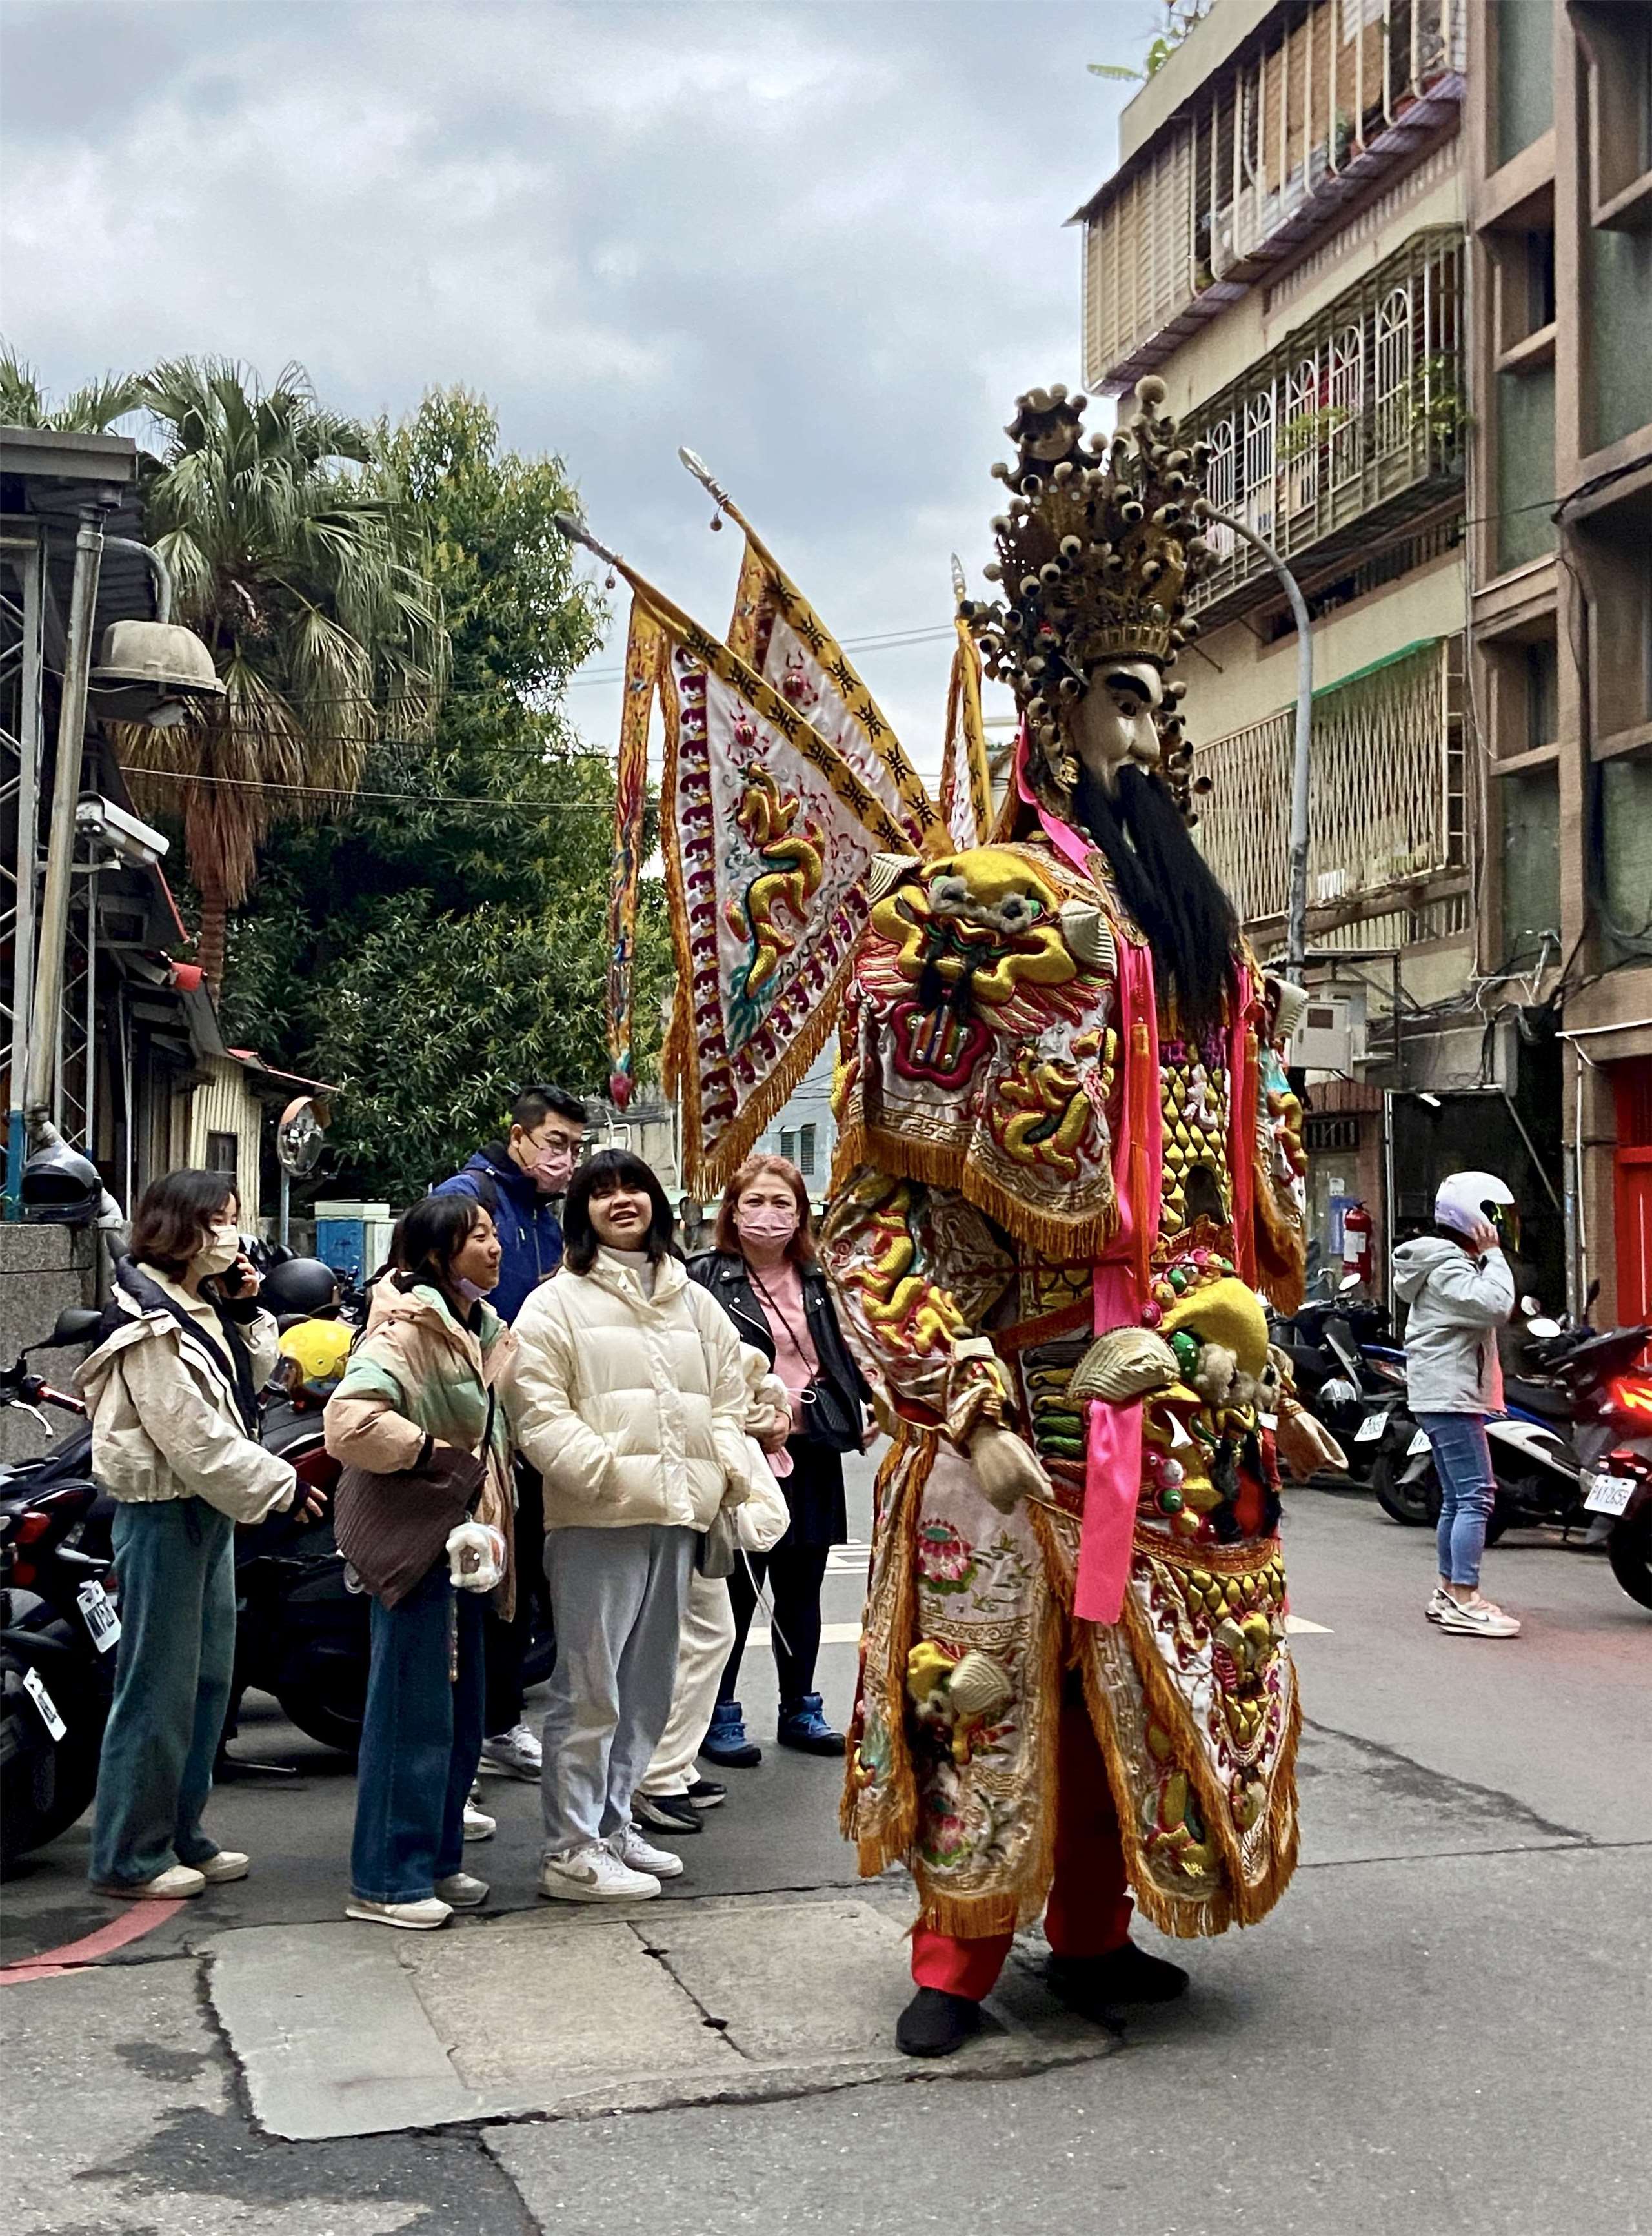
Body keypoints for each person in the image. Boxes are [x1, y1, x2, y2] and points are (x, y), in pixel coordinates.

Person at [820, 379, 1342, 2057]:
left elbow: (1236, 1212)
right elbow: (869, 1221)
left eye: (1155, 695)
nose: (1148, 729)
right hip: (1015, 1379)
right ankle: (957, 1954)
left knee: (1149, 1677)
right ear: (1050, 719)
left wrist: (1255, 1364)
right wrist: (957, 1397)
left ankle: (1100, 1929)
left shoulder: (1204, 950)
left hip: (1172, 1384)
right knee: (986, 1681)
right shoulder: (968, 933)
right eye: (1118, 696)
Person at [509, 1149, 751, 1901]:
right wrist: (602, 1473)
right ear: (579, 1209)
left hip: (677, 1515)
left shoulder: (691, 1298)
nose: (621, 1201)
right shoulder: (555, 1302)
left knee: (647, 1688)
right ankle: (570, 1846)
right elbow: (535, 1408)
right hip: (596, 1521)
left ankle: (614, 1826)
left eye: (633, 1188)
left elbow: (728, 1394)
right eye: (602, 1190)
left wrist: (714, 1475)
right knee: (588, 1689)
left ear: (658, 1203)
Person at [77, 1170, 316, 1900]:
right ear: (179, 1225)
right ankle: (128, 1853)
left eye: (235, 1219)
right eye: (219, 1219)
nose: (230, 1234)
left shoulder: (195, 1304)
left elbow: (244, 1382)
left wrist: (247, 1312)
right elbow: (194, 1436)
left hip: (205, 1511)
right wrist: (281, 1486)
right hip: (163, 1510)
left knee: (209, 1681)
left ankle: (183, 1829)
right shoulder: (145, 1320)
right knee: (157, 1687)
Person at [325, 1196, 516, 1929]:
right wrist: (432, 1454)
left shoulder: (481, 1327)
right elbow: (350, 1423)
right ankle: (384, 1877)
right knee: (411, 1715)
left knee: (459, 1715)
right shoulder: (405, 1329)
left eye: (495, 1233)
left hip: (468, 1545)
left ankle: (436, 1859)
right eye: (478, 1236)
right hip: (416, 1545)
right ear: (436, 1253)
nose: (495, 1248)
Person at [690, 1154, 872, 1766]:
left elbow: (857, 1356)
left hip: (812, 1449)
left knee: (803, 1588)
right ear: (732, 1213)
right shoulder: (704, 1281)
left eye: (782, 1205)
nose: (768, 1216)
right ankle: (719, 1713)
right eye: (755, 1203)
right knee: (736, 1591)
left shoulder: (825, 1282)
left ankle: (801, 1706)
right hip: (740, 1455)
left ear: (801, 1215)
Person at [434, 1084, 587, 1784]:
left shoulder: (544, 1214)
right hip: (478, 1418)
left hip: (531, 1418)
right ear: (519, 1136)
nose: (565, 1160)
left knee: (518, 1584)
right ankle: (463, 1741)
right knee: (481, 1582)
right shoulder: (472, 1192)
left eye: (575, 1149)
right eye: (555, 1144)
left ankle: (499, 1725)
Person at [634, 1345, 793, 1835]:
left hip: (687, 1479)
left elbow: (746, 1365)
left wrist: (772, 1405)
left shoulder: (684, 1298)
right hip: (664, 1485)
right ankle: (657, 1772)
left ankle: (671, 1764)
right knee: (678, 1642)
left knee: (701, 1637)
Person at [1393, 1172, 1520, 1640]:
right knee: (1476, 1495)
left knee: (1458, 1495)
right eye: (1495, 1218)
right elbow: (1496, 1304)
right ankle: (1465, 1597)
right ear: (1475, 1218)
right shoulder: (1450, 1268)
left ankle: (1449, 1590)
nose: (1501, 1229)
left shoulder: (1445, 1263)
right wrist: (1495, 1258)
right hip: (1449, 1395)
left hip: (1444, 1393)